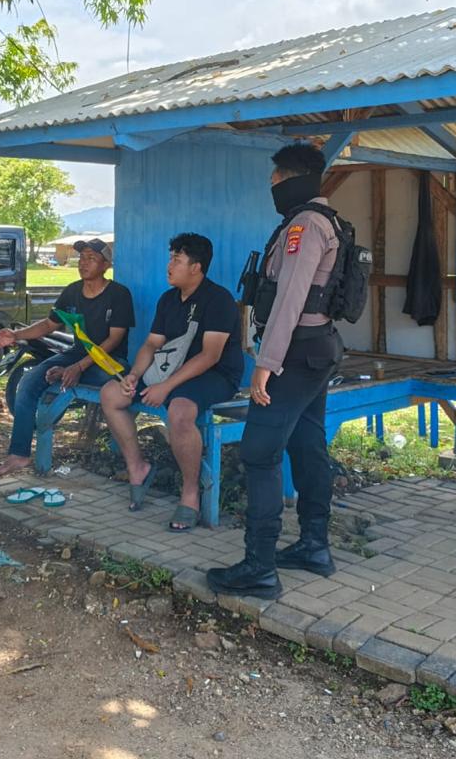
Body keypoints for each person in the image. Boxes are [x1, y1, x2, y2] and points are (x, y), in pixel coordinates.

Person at [207, 143, 344, 599]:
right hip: (316, 349)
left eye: (275, 181)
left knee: (259, 451)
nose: (272, 189)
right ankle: (314, 546)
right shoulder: (327, 221)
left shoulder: (304, 226)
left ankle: (259, 567)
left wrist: (266, 364)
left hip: (296, 354)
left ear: (293, 179)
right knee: (307, 443)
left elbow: (290, 299)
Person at [99, 233, 243, 531]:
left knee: (179, 410)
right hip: (169, 369)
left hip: (215, 375)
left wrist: (165, 387)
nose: (169, 266)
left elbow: (210, 355)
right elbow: (152, 344)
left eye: (177, 260)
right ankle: (138, 467)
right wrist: (135, 375)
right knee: (111, 394)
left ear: (196, 267)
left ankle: (190, 493)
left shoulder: (219, 300)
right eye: (170, 258)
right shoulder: (168, 299)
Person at [0, 238, 134, 477]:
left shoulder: (119, 294)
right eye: (82, 257)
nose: (83, 263)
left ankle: (64, 374)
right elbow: (49, 324)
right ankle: (19, 454)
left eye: (91, 258)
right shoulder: (72, 291)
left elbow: (114, 339)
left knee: (97, 376)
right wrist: (15, 335)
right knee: (28, 382)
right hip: (77, 354)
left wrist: (78, 367)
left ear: (106, 265)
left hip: (109, 360)